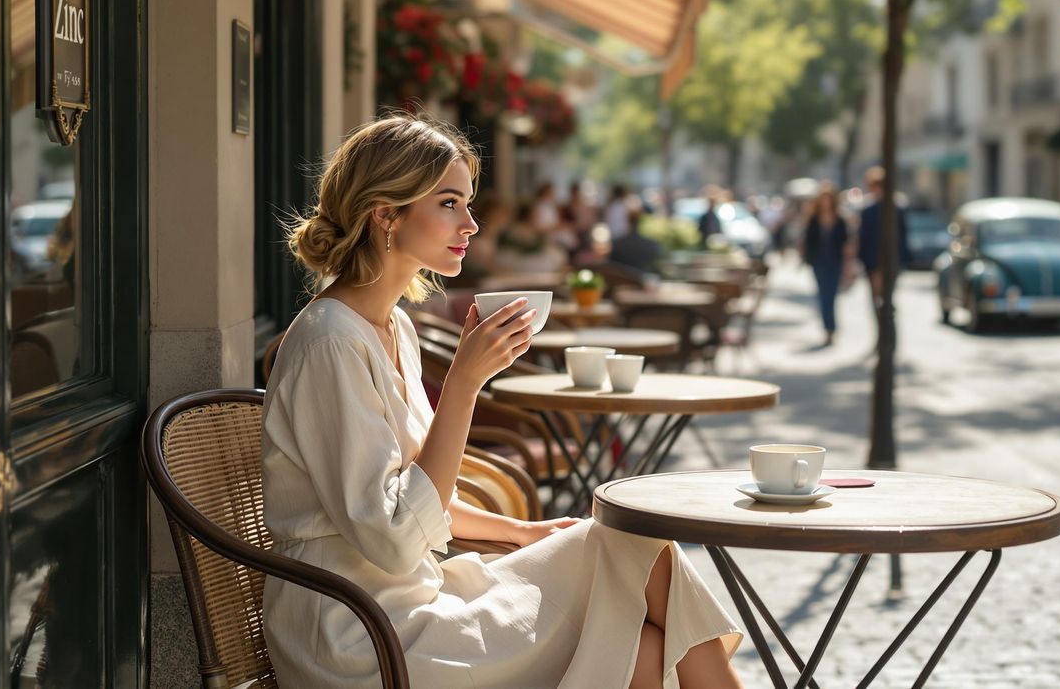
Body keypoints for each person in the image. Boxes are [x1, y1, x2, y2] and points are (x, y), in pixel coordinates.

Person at [264, 115, 744, 689]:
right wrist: (464, 385)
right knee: (635, 605)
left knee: (639, 610)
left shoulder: (392, 326)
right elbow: (392, 537)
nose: (470, 223)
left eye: (468, 202)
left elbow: (417, 491)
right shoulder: (329, 344)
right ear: (385, 213)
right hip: (360, 635)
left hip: (420, 601)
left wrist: (518, 532)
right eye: (449, 203)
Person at [800, 183, 852, 346]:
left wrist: (848, 266)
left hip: (835, 262)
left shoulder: (840, 219)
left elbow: (845, 244)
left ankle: (831, 327)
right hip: (818, 262)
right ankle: (828, 328)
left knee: (832, 295)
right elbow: (806, 241)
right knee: (823, 295)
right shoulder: (813, 219)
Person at [857, 166, 908, 309]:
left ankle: (886, 324)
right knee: (877, 298)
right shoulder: (868, 209)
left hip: (890, 258)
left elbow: (902, 234)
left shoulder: (896, 207)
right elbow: (864, 236)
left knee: (886, 297)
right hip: (874, 260)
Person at [608, 207, 664, 275]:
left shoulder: (616, 243)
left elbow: (611, 266)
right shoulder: (652, 245)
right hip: (644, 281)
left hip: (623, 281)